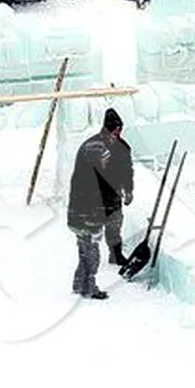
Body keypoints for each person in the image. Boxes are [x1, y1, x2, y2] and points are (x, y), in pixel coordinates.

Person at [67, 108, 128, 300]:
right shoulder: (94, 149)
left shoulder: (97, 147)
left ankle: (80, 285)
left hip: (81, 212)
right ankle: (88, 288)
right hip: (85, 214)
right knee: (91, 253)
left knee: (85, 250)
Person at [102, 109, 135, 266]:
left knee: (114, 224)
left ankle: (115, 254)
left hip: (114, 193)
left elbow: (128, 171)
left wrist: (128, 190)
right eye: (113, 129)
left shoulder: (124, 148)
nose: (117, 132)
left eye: (119, 129)